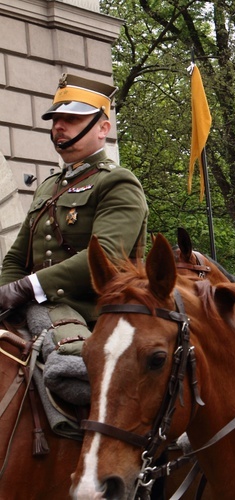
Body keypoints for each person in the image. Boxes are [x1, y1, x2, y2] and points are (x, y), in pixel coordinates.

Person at [0, 73, 148, 367]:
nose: (59, 126)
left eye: (72, 119)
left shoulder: (117, 182)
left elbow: (103, 255)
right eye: (55, 119)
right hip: (40, 306)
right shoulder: (49, 186)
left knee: (70, 374)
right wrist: (5, 297)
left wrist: (28, 288)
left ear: (103, 128)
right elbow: (18, 256)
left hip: (96, 312)